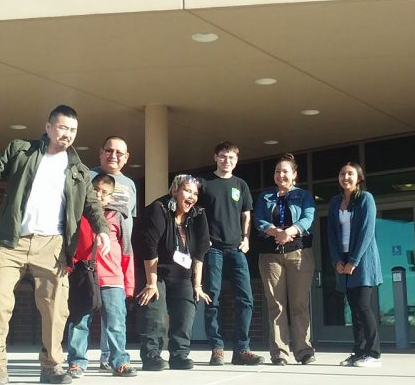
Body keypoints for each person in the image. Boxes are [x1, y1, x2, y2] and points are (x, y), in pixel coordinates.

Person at [0, 104, 111, 385]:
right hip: (12, 241)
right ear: (48, 127)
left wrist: (102, 229)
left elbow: (92, 205)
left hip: (53, 245)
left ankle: (52, 365)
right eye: (62, 128)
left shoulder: (78, 170)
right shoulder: (21, 150)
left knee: (56, 308)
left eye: (72, 130)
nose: (67, 134)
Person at [135, 174, 212, 371]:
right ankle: (151, 355)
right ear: (175, 191)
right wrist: (151, 284)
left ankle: (179, 354)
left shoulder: (198, 215)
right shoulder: (159, 209)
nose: (192, 197)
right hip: (156, 271)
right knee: (155, 311)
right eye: (187, 191)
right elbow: (149, 247)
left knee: (186, 311)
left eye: (195, 193)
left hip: (183, 274)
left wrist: (197, 285)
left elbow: (200, 252)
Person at [66, 174, 137, 378]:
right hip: (84, 276)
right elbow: (70, 247)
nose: (99, 194)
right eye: (95, 189)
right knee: (79, 320)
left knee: (116, 322)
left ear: (111, 196)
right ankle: (76, 362)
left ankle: (119, 361)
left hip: (113, 279)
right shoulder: (79, 216)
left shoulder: (119, 218)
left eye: (105, 192)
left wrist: (129, 284)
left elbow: (127, 252)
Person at [199, 141, 263, 366]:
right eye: (223, 156)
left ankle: (242, 350)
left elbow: (246, 215)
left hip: (237, 249)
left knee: (245, 299)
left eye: (232, 158)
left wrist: (246, 239)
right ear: (216, 157)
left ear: (237, 160)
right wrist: (202, 238)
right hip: (213, 249)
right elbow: (196, 214)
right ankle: (217, 348)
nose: (227, 161)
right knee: (212, 298)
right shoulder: (205, 184)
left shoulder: (241, 185)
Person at [253, 153, 316, 365]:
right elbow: (259, 219)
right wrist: (274, 231)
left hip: (298, 254)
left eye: (285, 171)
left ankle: (304, 350)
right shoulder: (265, 196)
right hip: (271, 256)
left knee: (299, 304)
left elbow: (308, 217)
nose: (281, 175)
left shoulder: (303, 195)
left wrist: (289, 231)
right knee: (276, 306)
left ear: (294, 175)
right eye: (278, 171)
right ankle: (279, 353)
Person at [326, 162, 383, 368]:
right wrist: (337, 260)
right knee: (353, 308)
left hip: (363, 259)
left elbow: (367, 232)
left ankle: (374, 353)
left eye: (350, 174)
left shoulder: (366, 199)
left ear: (359, 178)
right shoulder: (335, 202)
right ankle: (359, 352)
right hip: (344, 259)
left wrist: (354, 261)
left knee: (363, 305)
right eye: (342, 174)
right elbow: (331, 233)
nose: (345, 177)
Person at [90, 136, 137, 371]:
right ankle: (78, 360)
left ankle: (109, 357)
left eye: (120, 152)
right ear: (101, 152)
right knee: (83, 316)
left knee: (114, 316)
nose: (114, 156)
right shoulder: (88, 177)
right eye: (109, 150)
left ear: (127, 157)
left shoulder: (129, 184)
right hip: (89, 259)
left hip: (117, 257)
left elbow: (130, 220)